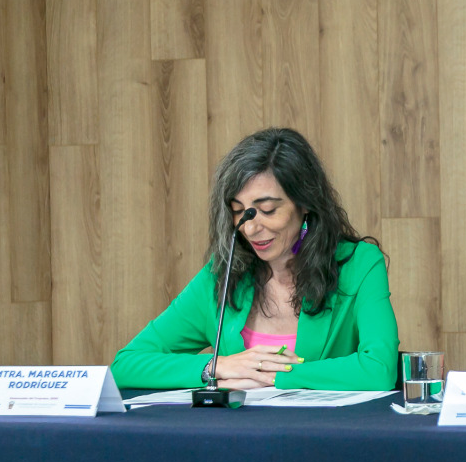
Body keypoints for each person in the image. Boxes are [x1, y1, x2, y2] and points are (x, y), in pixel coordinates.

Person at [112, 128, 399, 391]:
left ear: (306, 204)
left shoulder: (359, 265)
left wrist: (273, 375)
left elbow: (378, 369)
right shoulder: (221, 276)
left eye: (268, 210)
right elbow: (125, 365)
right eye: (240, 211)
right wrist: (219, 367)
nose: (250, 228)